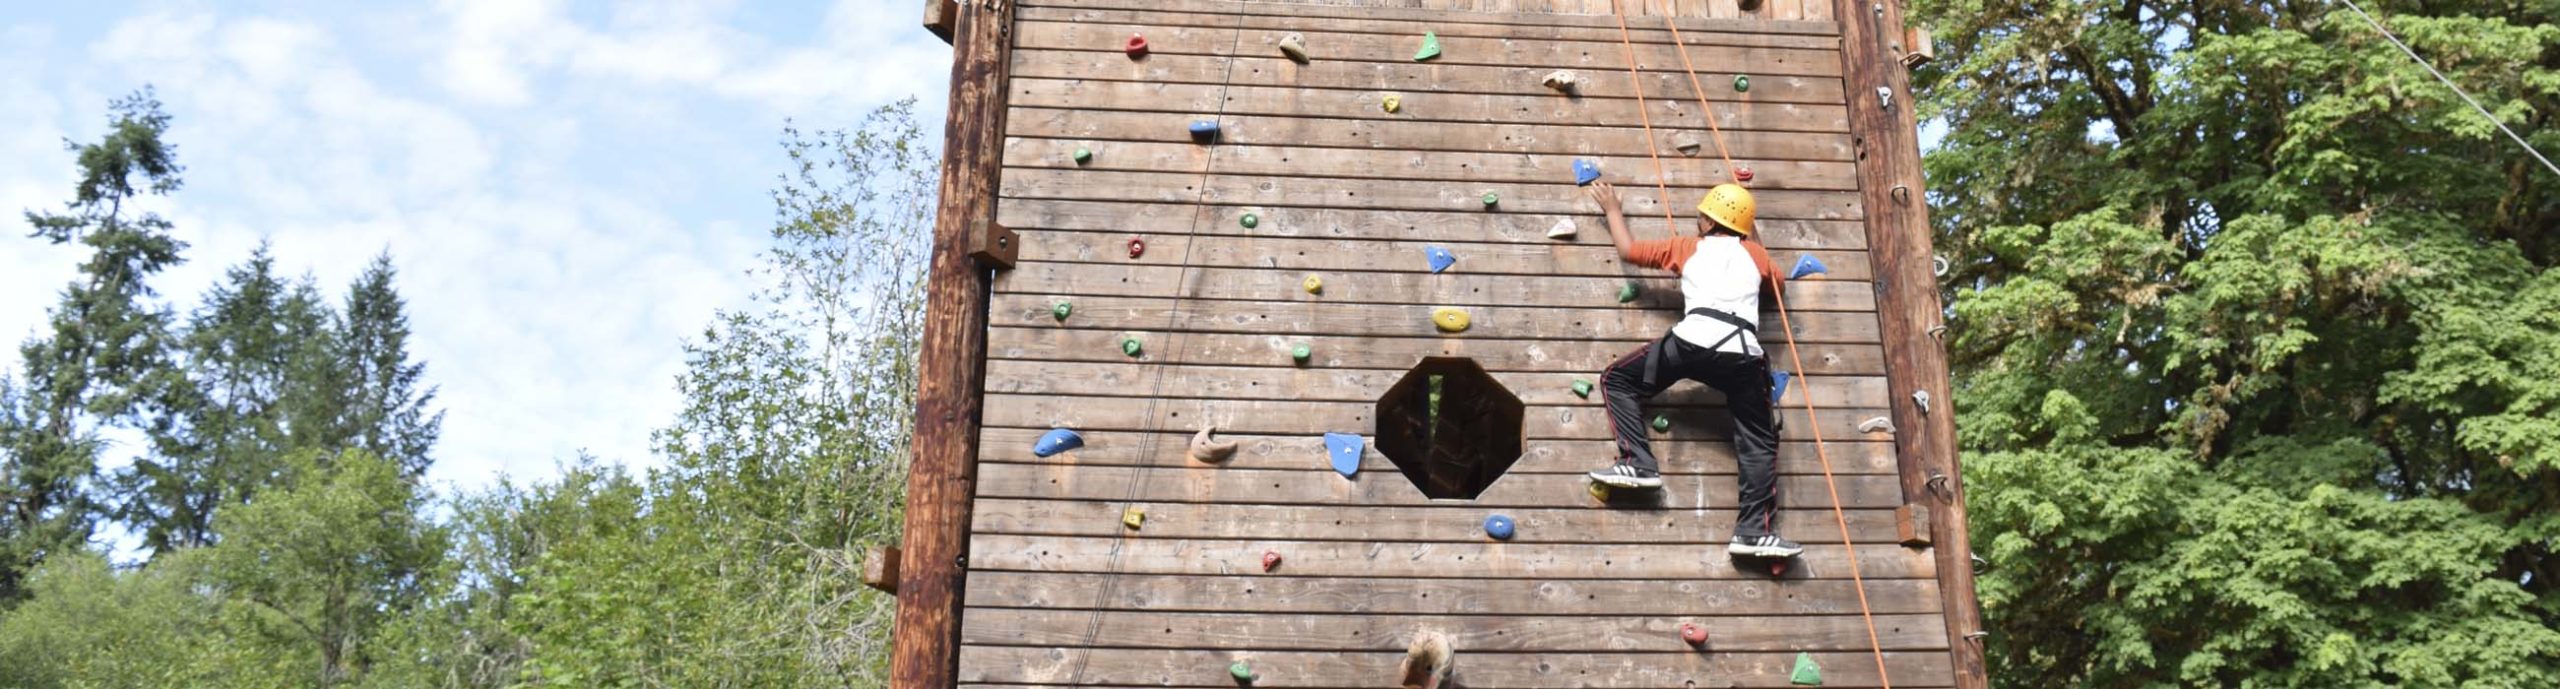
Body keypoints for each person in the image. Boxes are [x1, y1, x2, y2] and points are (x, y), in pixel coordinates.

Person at [1581, 180, 1801, 559]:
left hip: (1692, 343)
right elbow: (1777, 288)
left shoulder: (1687, 247)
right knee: (1759, 441)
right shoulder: (1757, 256)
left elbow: (1629, 251)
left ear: (1707, 221)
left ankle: (1638, 463)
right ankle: (1751, 533)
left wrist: (1613, 209)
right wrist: (1752, 240)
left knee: (1617, 380)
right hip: (1742, 354)